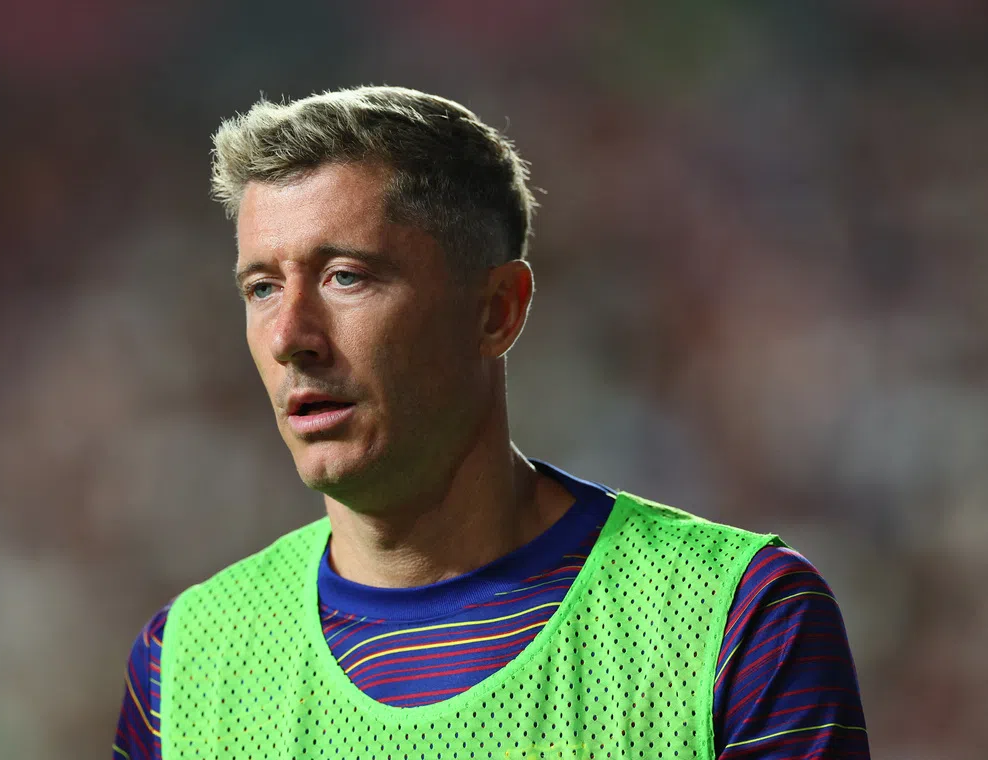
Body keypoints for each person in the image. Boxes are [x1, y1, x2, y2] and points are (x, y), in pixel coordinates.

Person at [112, 86, 869, 760]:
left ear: (496, 311)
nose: (290, 335)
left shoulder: (739, 622)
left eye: (346, 275)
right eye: (262, 286)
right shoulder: (180, 668)